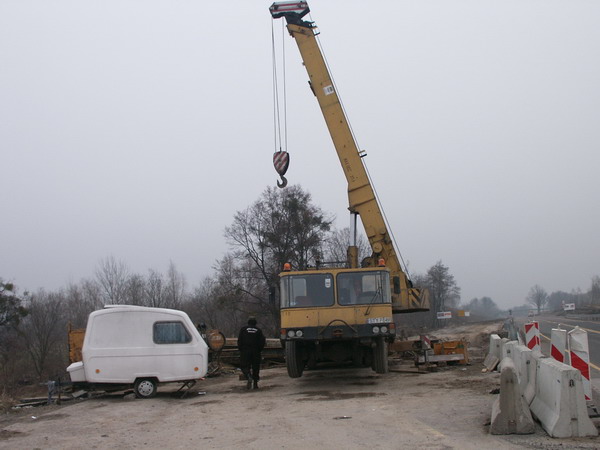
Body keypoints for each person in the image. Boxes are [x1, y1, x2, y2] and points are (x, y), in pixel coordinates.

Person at [237, 316, 266, 390]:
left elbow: (239, 340)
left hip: (245, 351)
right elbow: (262, 341)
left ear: (248, 322)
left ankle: (248, 376)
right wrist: (259, 350)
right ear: (255, 323)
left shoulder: (243, 329)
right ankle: (255, 384)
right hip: (256, 351)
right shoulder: (258, 330)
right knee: (256, 367)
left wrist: (241, 349)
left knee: (244, 366)